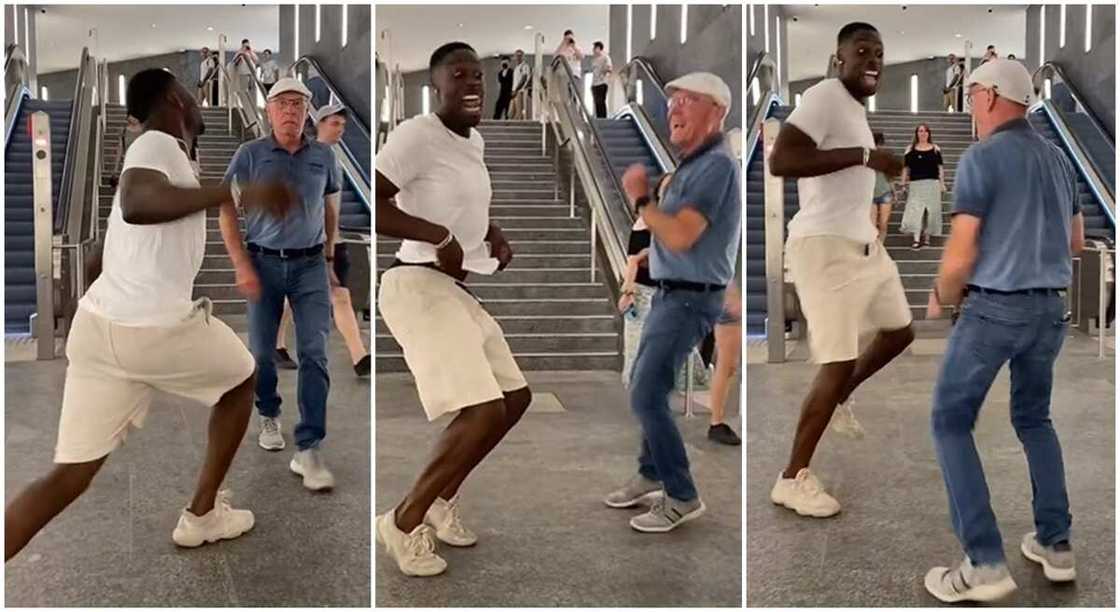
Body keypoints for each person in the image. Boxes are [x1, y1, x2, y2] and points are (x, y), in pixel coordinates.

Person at [4, 68, 296, 561]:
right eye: (191, 93)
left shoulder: (158, 155)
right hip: (154, 326)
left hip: (100, 329)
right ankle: (202, 514)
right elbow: (138, 204)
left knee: (69, 475)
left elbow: (105, 245)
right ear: (175, 99)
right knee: (242, 379)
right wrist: (238, 192)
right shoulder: (156, 143)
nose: (198, 101)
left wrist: (91, 305)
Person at [922, 58, 1084, 604]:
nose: (970, 103)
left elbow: (962, 250)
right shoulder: (1060, 160)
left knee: (950, 419)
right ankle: (1055, 544)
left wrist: (942, 294)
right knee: (1035, 419)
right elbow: (1075, 243)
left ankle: (984, 562)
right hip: (1049, 310)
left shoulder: (982, 156)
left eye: (971, 93)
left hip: (995, 309)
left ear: (990, 96)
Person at [374, 42, 530, 577]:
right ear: (435, 86)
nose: (472, 86)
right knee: (482, 409)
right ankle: (401, 521)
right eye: (458, 76)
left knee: (514, 398)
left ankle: (440, 501)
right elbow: (372, 202)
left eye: (478, 77)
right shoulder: (416, 135)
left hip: (452, 287)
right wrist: (437, 236)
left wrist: (493, 233)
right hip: (414, 284)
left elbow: (463, 205)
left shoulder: (474, 141)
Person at [766, 22, 914, 518]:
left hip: (863, 241)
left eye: (879, 53)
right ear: (839, 60)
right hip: (823, 246)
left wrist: (873, 161)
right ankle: (792, 478)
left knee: (900, 332)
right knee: (835, 361)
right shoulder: (825, 96)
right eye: (861, 52)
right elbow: (782, 160)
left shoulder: (853, 108)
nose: (873, 61)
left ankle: (843, 394)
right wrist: (867, 156)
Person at [603, 72, 740, 533]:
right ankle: (650, 473)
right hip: (671, 292)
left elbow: (682, 234)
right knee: (649, 385)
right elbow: (676, 236)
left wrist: (642, 198)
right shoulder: (691, 165)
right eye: (671, 102)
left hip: (688, 299)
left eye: (687, 100)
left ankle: (682, 494)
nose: (674, 110)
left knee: (645, 392)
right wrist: (651, 252)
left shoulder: (715, 165)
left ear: (717, 111)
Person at [219, 77, 339, 491]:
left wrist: (329, 256)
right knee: (262, 353)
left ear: (307, 112)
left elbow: (328, 207)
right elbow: (225, 207)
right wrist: (241, 263)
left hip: (310, 266)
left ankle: (309, 446)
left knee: (315, 352)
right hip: (263, 263)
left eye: (298, 104)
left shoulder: (323, 155)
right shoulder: (250, 154)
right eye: (282, 103)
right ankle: (268, 411)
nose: (290, 111)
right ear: (268, 110)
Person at [275, 103, 372, 377]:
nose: (340, 130)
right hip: (311, 243)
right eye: (334, 124)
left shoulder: (332, 159)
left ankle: (277, 344)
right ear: (319, 124)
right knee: (337, 295)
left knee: (330, 296)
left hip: (334, 241)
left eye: (343, 125)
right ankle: (359, 356)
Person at [618, 173, 672, 384]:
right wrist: (628, 290)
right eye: (666, 188)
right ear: (658, 192)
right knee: (637, 346)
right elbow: (633, 260)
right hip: (643, 292)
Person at [707, 279, 742, 446]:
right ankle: (716, 422)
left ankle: (717, 421)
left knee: (729, 366)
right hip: (722, 293)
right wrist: (730, 293)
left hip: (722, 291)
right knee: (726, 365)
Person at [900, 123, 946, 249]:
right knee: (916, 212)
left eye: (926, 131)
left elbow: (940, 168)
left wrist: (942, 183)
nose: (923, 133)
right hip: (916, 184)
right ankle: (916, 239)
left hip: (932, 183)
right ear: (916, 133)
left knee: (930, 212)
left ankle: (927, 238)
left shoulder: (935, 148)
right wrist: (903, 184)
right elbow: (905, 168)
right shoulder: (910, 149)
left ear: (929, 133)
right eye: (920, 131)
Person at [870, 131, 894, 243]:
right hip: (871, 193)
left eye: (880, 144)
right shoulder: (866, 156)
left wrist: (894, 192)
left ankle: (880, 246)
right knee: (872, 224)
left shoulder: (886, 157)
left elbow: (890, 176)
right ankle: (874, 246)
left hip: (885, 192)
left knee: (883, 223)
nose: (878, 146)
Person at [109, 115, 144, 188]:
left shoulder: (144, 131)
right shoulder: (124, 131)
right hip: (128, 164)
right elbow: (120, 150)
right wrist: (115, 170)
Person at [590, 41, 613, 119]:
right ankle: (598, 118)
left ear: (599, 48)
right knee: (596, 102)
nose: (593, 50)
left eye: (594, 48)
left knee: (601, 101)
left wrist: (603, 72)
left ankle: (603, 118)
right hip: (594, 84)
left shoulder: (605, 57)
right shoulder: (594, 60)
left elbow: (609, 68)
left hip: (602, 82)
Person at [510, 49, 532, 120]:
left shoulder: (525, 66)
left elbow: (524, 78)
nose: (518, 57)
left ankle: (520, 123)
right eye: (517, 55)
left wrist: (516, 90)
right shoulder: (516, 68)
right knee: (511, 113)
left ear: (523, 57)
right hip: (515, 91)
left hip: (520, 91)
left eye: (520, 55)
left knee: (519, 112)